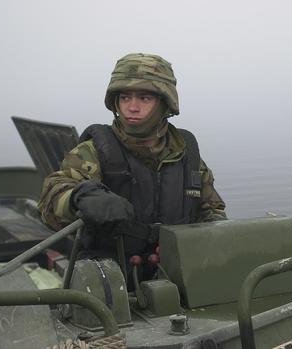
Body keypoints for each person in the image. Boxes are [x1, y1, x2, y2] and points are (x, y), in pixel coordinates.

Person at [38, 53, 227, 276]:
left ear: (165, 102)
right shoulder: (94, 151)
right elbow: (51, 203)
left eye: (145, 98)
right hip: (110, 277)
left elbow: (212, 212)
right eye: (125, 98)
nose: (132, 107)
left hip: (178, 275)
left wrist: (209, 240)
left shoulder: (187, 154)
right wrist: (81, 197)